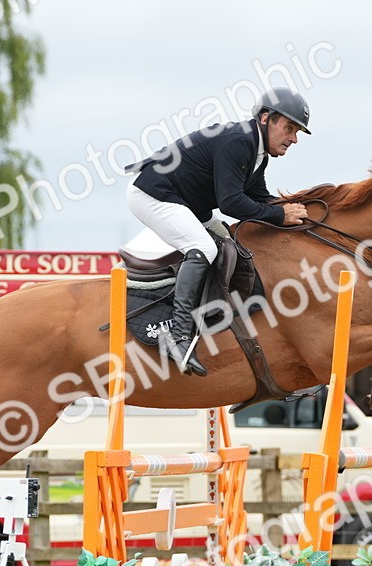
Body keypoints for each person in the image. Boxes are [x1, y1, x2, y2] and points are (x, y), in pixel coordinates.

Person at [126, 87, 312, 377]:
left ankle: (211, 313)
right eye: (289, 128)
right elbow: (231, 203)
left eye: (297, 131)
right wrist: (279, 214)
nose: (294, 138)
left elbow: (259, 197)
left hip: (183, 203)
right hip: (153, 195)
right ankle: (178, 333)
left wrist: (298, 211)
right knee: (205, 248)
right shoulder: (239, 142)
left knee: (228, 242)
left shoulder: (258, 153)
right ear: (265, 118)